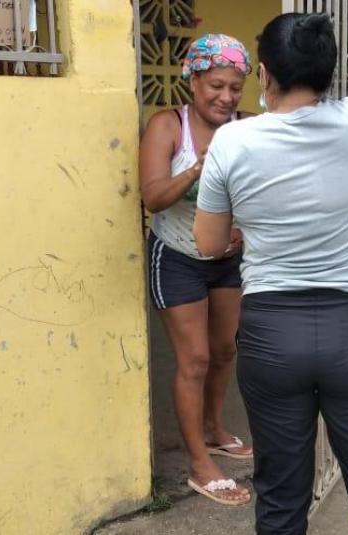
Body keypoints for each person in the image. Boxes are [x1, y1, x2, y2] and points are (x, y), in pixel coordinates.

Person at [192, 13, 348, 535]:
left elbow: (208, 243)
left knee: (280, 500)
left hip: (273, 332)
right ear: (329, 71)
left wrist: (253, 225)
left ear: (265, 73)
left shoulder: (233, 142)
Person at [138, 33, 254, 506]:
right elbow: (152, 197)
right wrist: (194, 171)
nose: (226, 97)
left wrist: (243, 231)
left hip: (227, 261)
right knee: (195, 360)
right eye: (216, 86)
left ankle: (213, 427)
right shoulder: (169, 126)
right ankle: (198, 463)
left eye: (235, 88)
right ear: (193, 80)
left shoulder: (248, 128)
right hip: (178, 256)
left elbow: (261, 196)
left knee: (225, 351)